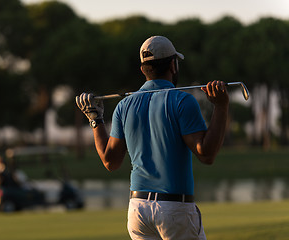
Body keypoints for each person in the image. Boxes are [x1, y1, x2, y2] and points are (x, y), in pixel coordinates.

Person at [76, 35, 229, 240]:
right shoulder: (182, 101)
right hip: (175, 208)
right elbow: (206, 154)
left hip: (138, 210)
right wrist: (221, 106)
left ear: (143, 69)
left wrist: (95, 119)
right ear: (173, 65)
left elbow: (110, 161)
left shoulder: (124, 105)